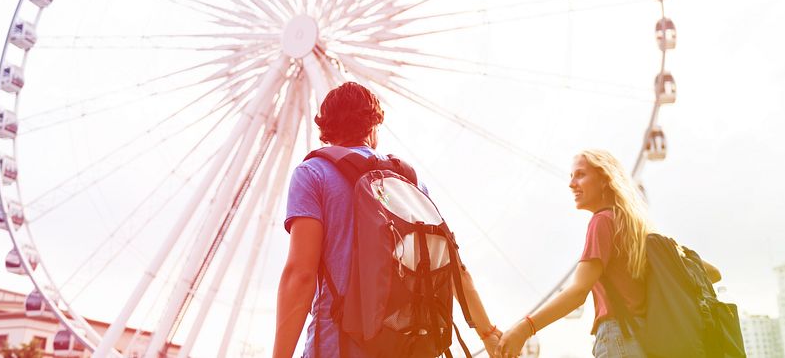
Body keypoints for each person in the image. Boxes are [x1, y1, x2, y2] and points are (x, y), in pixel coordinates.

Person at [273, 82, 501, 358]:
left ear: (326, 132)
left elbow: (301, 274)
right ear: (373, 128)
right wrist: (488, 334)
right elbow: (454, 268)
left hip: (339, 347)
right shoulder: (409, 181)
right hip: (409, 346)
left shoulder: (312, 175)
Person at [498, 149, 719, 358]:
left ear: (605, 179)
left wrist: (525, 328)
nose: (571, 184)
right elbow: (712, 273)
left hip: (618, 336)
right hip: (648, 340)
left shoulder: (602, 221)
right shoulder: (638, 229)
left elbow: (578, 292)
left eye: (581, 175)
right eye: (571, 176)